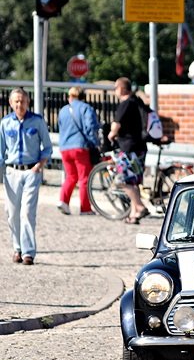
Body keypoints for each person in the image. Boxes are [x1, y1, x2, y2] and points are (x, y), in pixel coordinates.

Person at [1, 88, 53, 265]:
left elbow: (47, 147)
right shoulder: (5, 123)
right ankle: (17, 248)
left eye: (22, 101)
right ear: (10, 103)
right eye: (16, 101)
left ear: (28, 102)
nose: (19, 104)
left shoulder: (37, 121)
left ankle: (28, 252)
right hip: (11, 172)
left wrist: (39, 165)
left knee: (27, 213)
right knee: (12, 213)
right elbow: (1, 152)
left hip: (31, 172)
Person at [108, 77, 150, 224]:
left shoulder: (125, 104)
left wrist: (111, 135)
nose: (115, 91)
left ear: (121, 88)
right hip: (140, 148)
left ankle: (139, 207)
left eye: (115, 88)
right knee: (133, 182)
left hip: (128, 148)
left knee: (122, 180)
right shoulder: (137, 101)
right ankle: (133, 215)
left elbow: (116, 125)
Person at [56, 86, 100, 216]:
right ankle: (85, 208)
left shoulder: (63, 110)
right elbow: (90, 128)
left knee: (71, 176)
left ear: (70, 96)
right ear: (82, 97)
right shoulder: (86, 108)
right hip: (80, 147)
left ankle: (63, 201)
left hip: (64, 148)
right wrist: (94, 144)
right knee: (84, 178)